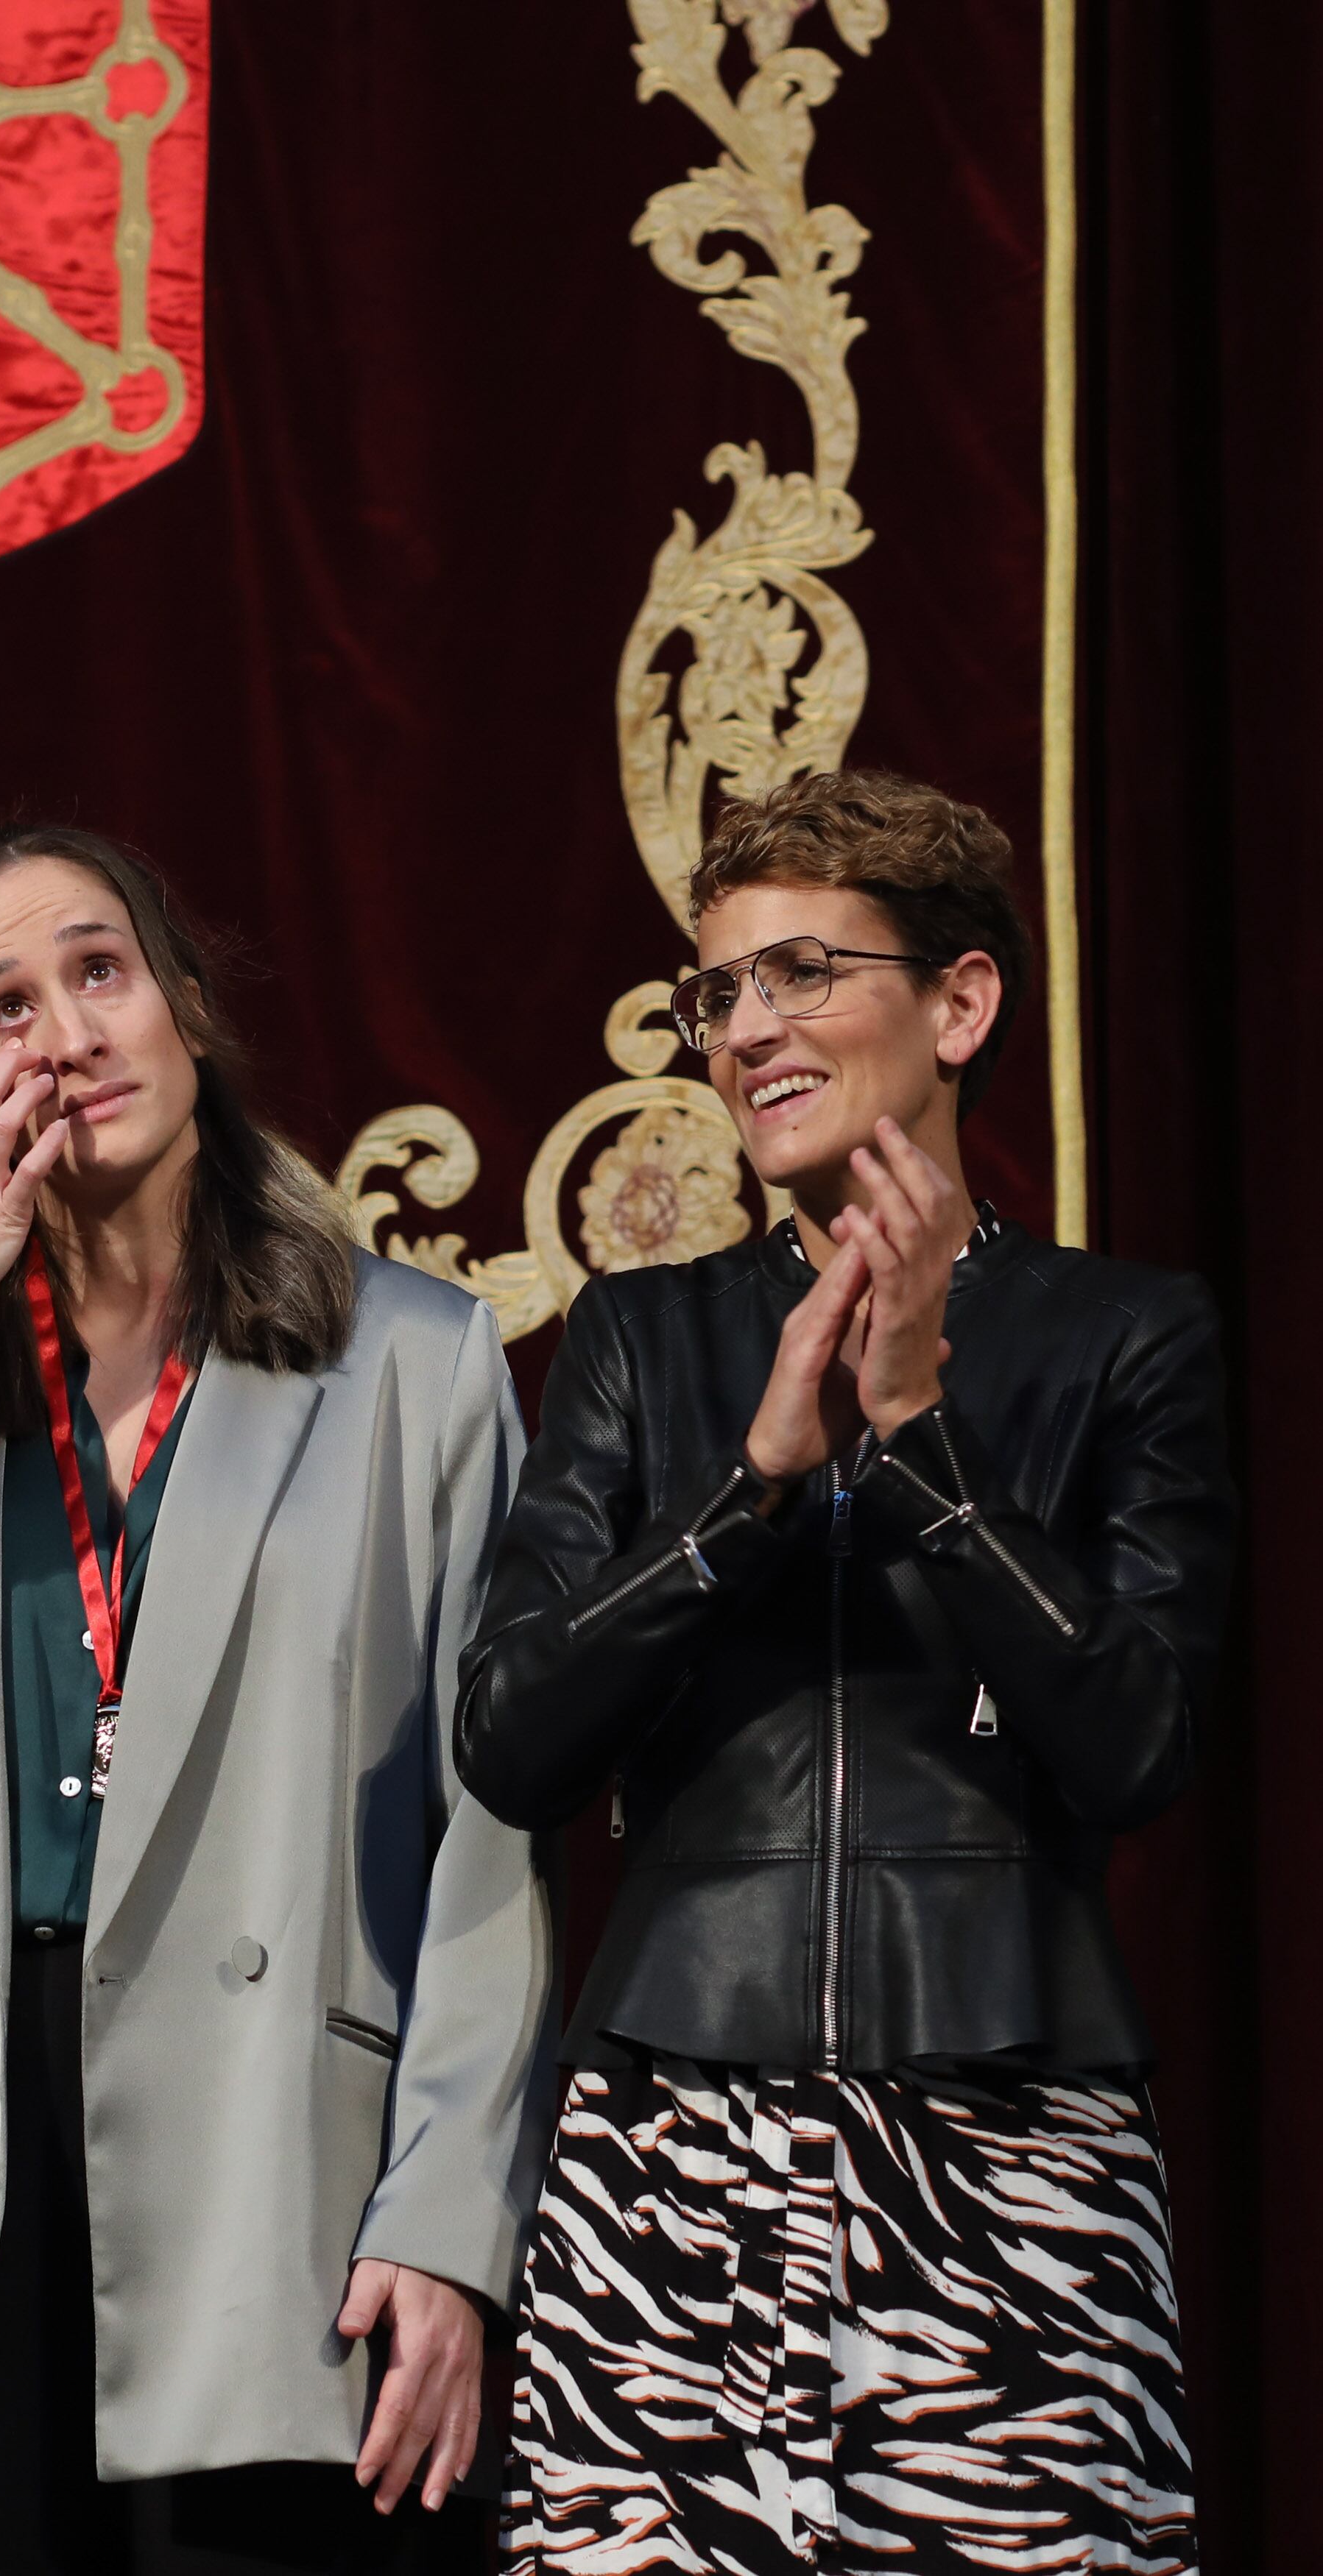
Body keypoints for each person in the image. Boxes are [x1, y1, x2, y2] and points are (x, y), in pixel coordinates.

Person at [0, 818, 554, 2576]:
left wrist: (453, 2219)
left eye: (98, 970)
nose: (61, 1031)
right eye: (2, 1007)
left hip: (273, 2174)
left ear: (190, 1012)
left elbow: (492, 1823)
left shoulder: (413, 1362)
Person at [455, 771, 1234, 2576]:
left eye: (799, 972)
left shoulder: (1128, 1336)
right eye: (715, 992)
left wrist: (925, 1446)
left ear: (960, 1005)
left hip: (1008, 2149)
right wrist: (747, 1489)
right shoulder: (641, 1341)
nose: (746, 1029)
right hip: (669, 2152)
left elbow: (1141, 1744)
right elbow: (510, 1740)